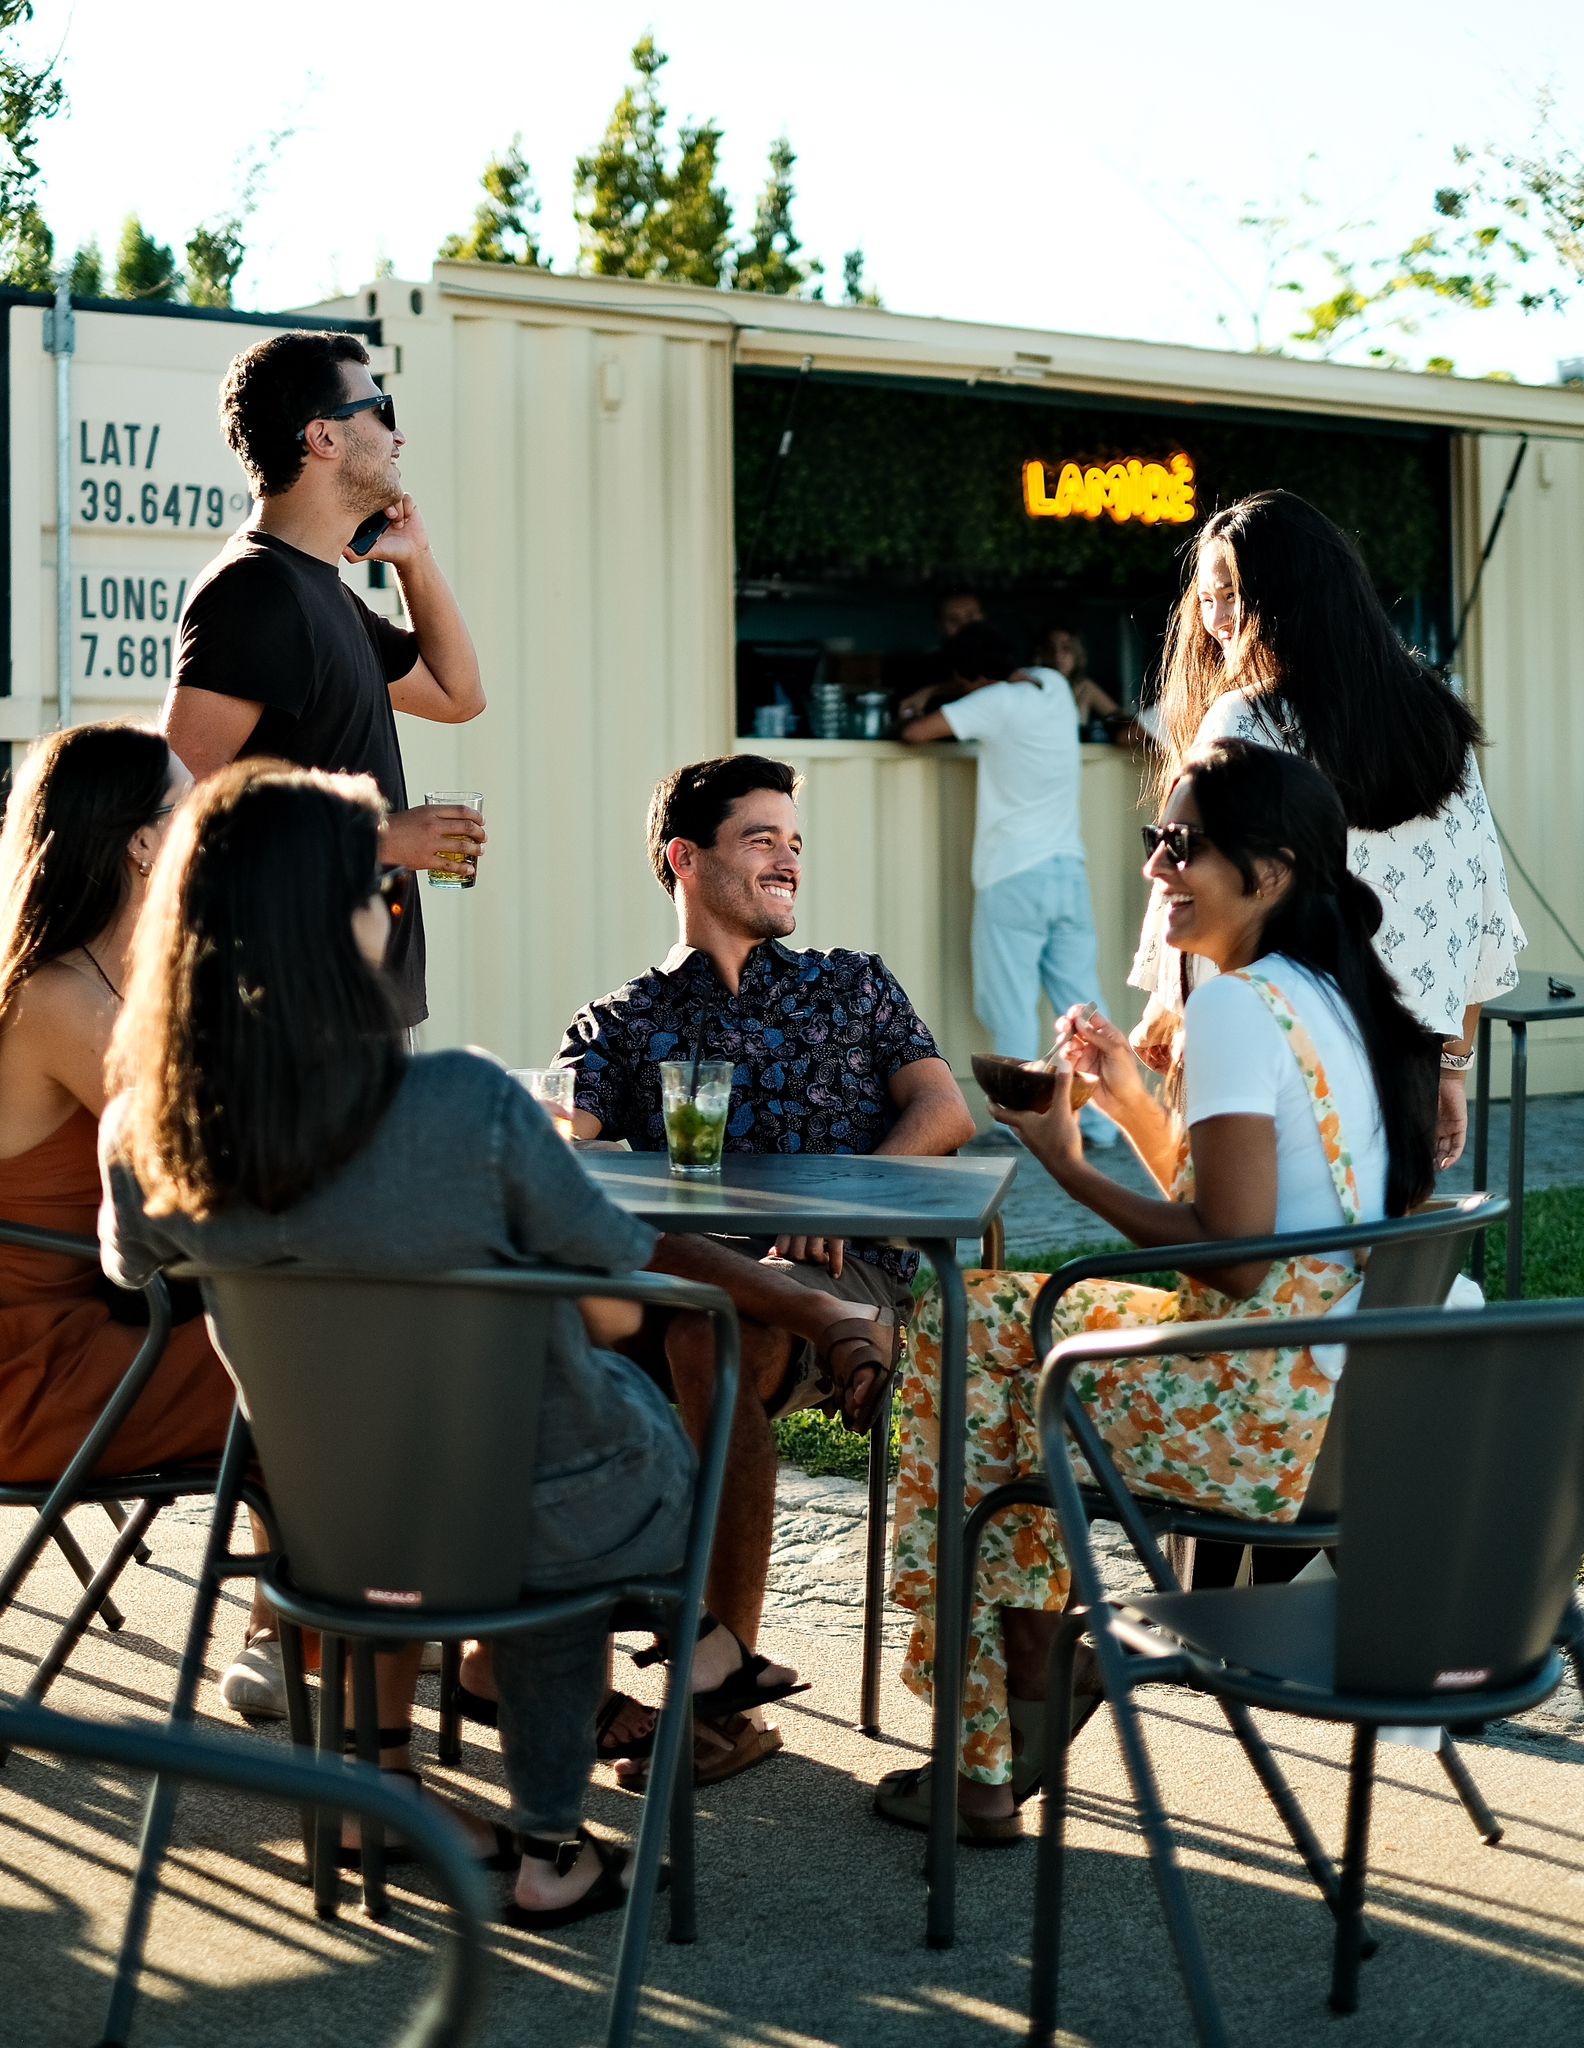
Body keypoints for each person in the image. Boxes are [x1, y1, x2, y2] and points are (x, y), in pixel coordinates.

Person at [96, 759, 772, 1927]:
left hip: (330, 1539)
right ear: (331, 920)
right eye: (375, 887)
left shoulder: (148, 1134)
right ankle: (569, 1829)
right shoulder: (468, 1104)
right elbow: (617, 1282)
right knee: (584, 1415)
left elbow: (130, 1273)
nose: (389, 906)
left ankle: (642, 1670)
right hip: (534, 1522)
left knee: (547, 1414)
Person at [881, 740, 1439, 1842]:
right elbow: (1256, 1215)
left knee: (966, 1328)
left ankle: (1002, 1722)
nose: (1155, 868)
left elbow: (1229, 1254)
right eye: (1156, 841)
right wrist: (1132, 1097)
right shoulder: (1322, 994)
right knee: (996, 1332)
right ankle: (1026, 1683)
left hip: (1246, 1408)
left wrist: (1069, 1164)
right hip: (1313, 1390)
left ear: (1269, 871)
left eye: (1181, 845)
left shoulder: (1235, 1007)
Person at [555, 754, 976, 1779]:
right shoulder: (625, 1018)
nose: (790, 856)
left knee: (714, 1329)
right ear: (684, 859)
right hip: (690, 1282)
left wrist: (843, 1193)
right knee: (617, 1323)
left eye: (794, 839)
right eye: (762, 838)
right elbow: (558, 1135)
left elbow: (945, 1110)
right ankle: (639, 1666)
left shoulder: (853, 982)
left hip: (848, 1278)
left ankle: (707, 1695)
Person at [1130, 489, 1523, 1172]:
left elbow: (1190, 880)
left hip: (1282, 1051)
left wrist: (1169, 1010)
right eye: (1206, 599)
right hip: (1403, 1060)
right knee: (1377, 1261)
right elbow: (1478, 899)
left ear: (1290, 598)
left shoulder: (1242, 721)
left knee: (1259, 1257)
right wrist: (1452, 1067)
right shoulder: (1435, 717)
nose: (1217, 621)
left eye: (1233, 597)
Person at [0, 722, 261, 1655]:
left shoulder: (115, 977)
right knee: (334, 1367)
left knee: (337, 1341)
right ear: (145, 842)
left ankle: (329, 1629)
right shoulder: (54, 997)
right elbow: (217, 1155)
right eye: (194, 802)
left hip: (113, 1328)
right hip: (40, 1375)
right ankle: (322, 1638)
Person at [161, 328, 488, 1030]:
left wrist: (415, 561)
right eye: (382, 411)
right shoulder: (252, 591)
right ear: (324, 438)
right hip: (288, 1020)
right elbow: (175, 818)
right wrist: (382, 840)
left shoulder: (328, 594)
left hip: (361, 1011)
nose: (399, 438)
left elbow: (461, 696)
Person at [899, 622, 1114, 1147]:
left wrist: (940, 693)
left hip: (1014, 874)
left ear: (975, 678)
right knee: (1082, 1003)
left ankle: (1020, 1126)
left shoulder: (994, 702)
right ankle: (1106, 1123)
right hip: (1068, 868)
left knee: (1009, 1005)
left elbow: (915, 732)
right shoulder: (1053, 686)